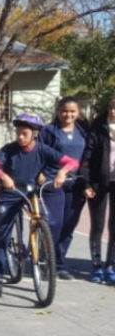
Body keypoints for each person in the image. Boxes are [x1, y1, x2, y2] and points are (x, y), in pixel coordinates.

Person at [0, 113, 79, 296]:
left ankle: (40, 253)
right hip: (10, 194)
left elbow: (71, 161)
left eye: (24, 133)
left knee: (46, 221)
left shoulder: (42, 150)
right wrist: (2, 176)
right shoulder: (9, 149)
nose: (20, 137)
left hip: (31, 192)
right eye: (18, 133)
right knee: (3, 236)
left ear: (34, 133)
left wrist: (62, 172)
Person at [38, 97, 89, 280]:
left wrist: (89, 183)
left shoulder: (83, 131)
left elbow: (87, 157)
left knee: (68, 226)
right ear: (58, 112)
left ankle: (59, 264)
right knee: (54, 224)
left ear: (78, 113)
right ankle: (44, 260)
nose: (68, 114)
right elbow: (40, 153)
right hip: (53, 182)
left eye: (72, 111)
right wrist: (42, 174)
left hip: (76, 184)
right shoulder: (49, 131)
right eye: (64, 111)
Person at [80, 96, 115, 284]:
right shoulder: (98, 128)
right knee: (98, 225)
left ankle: (110, 266)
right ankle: (96, 266)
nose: (113, 112)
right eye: (111, 107)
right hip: (97, 183)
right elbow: (86, 158)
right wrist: (86, 184)